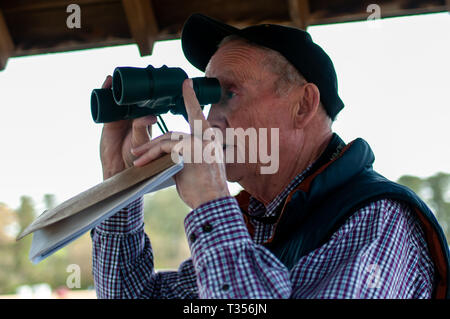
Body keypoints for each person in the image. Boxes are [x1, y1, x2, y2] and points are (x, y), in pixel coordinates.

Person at [91, 13, 449, 299]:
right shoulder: (257, 224)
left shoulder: (377, 220)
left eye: (229, 92)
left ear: (303, 105)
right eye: (208, 96)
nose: (210, 117)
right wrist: (120, 185)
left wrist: (211, 204)